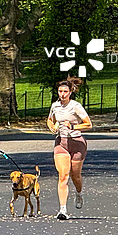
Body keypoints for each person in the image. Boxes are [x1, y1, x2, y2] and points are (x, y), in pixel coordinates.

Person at [46, 77, 92, 220]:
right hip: (61, 143)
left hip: (77, 143)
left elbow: (88, 124)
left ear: (70, 92)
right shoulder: (55, 106)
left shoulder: (75, 106)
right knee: (63, 175)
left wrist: (72, 126)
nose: (62, 94)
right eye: (60, 91)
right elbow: (49, 119)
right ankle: (63, 209)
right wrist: (52, 127)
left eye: (65, 91)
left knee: (75, 175)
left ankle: (78, 193)